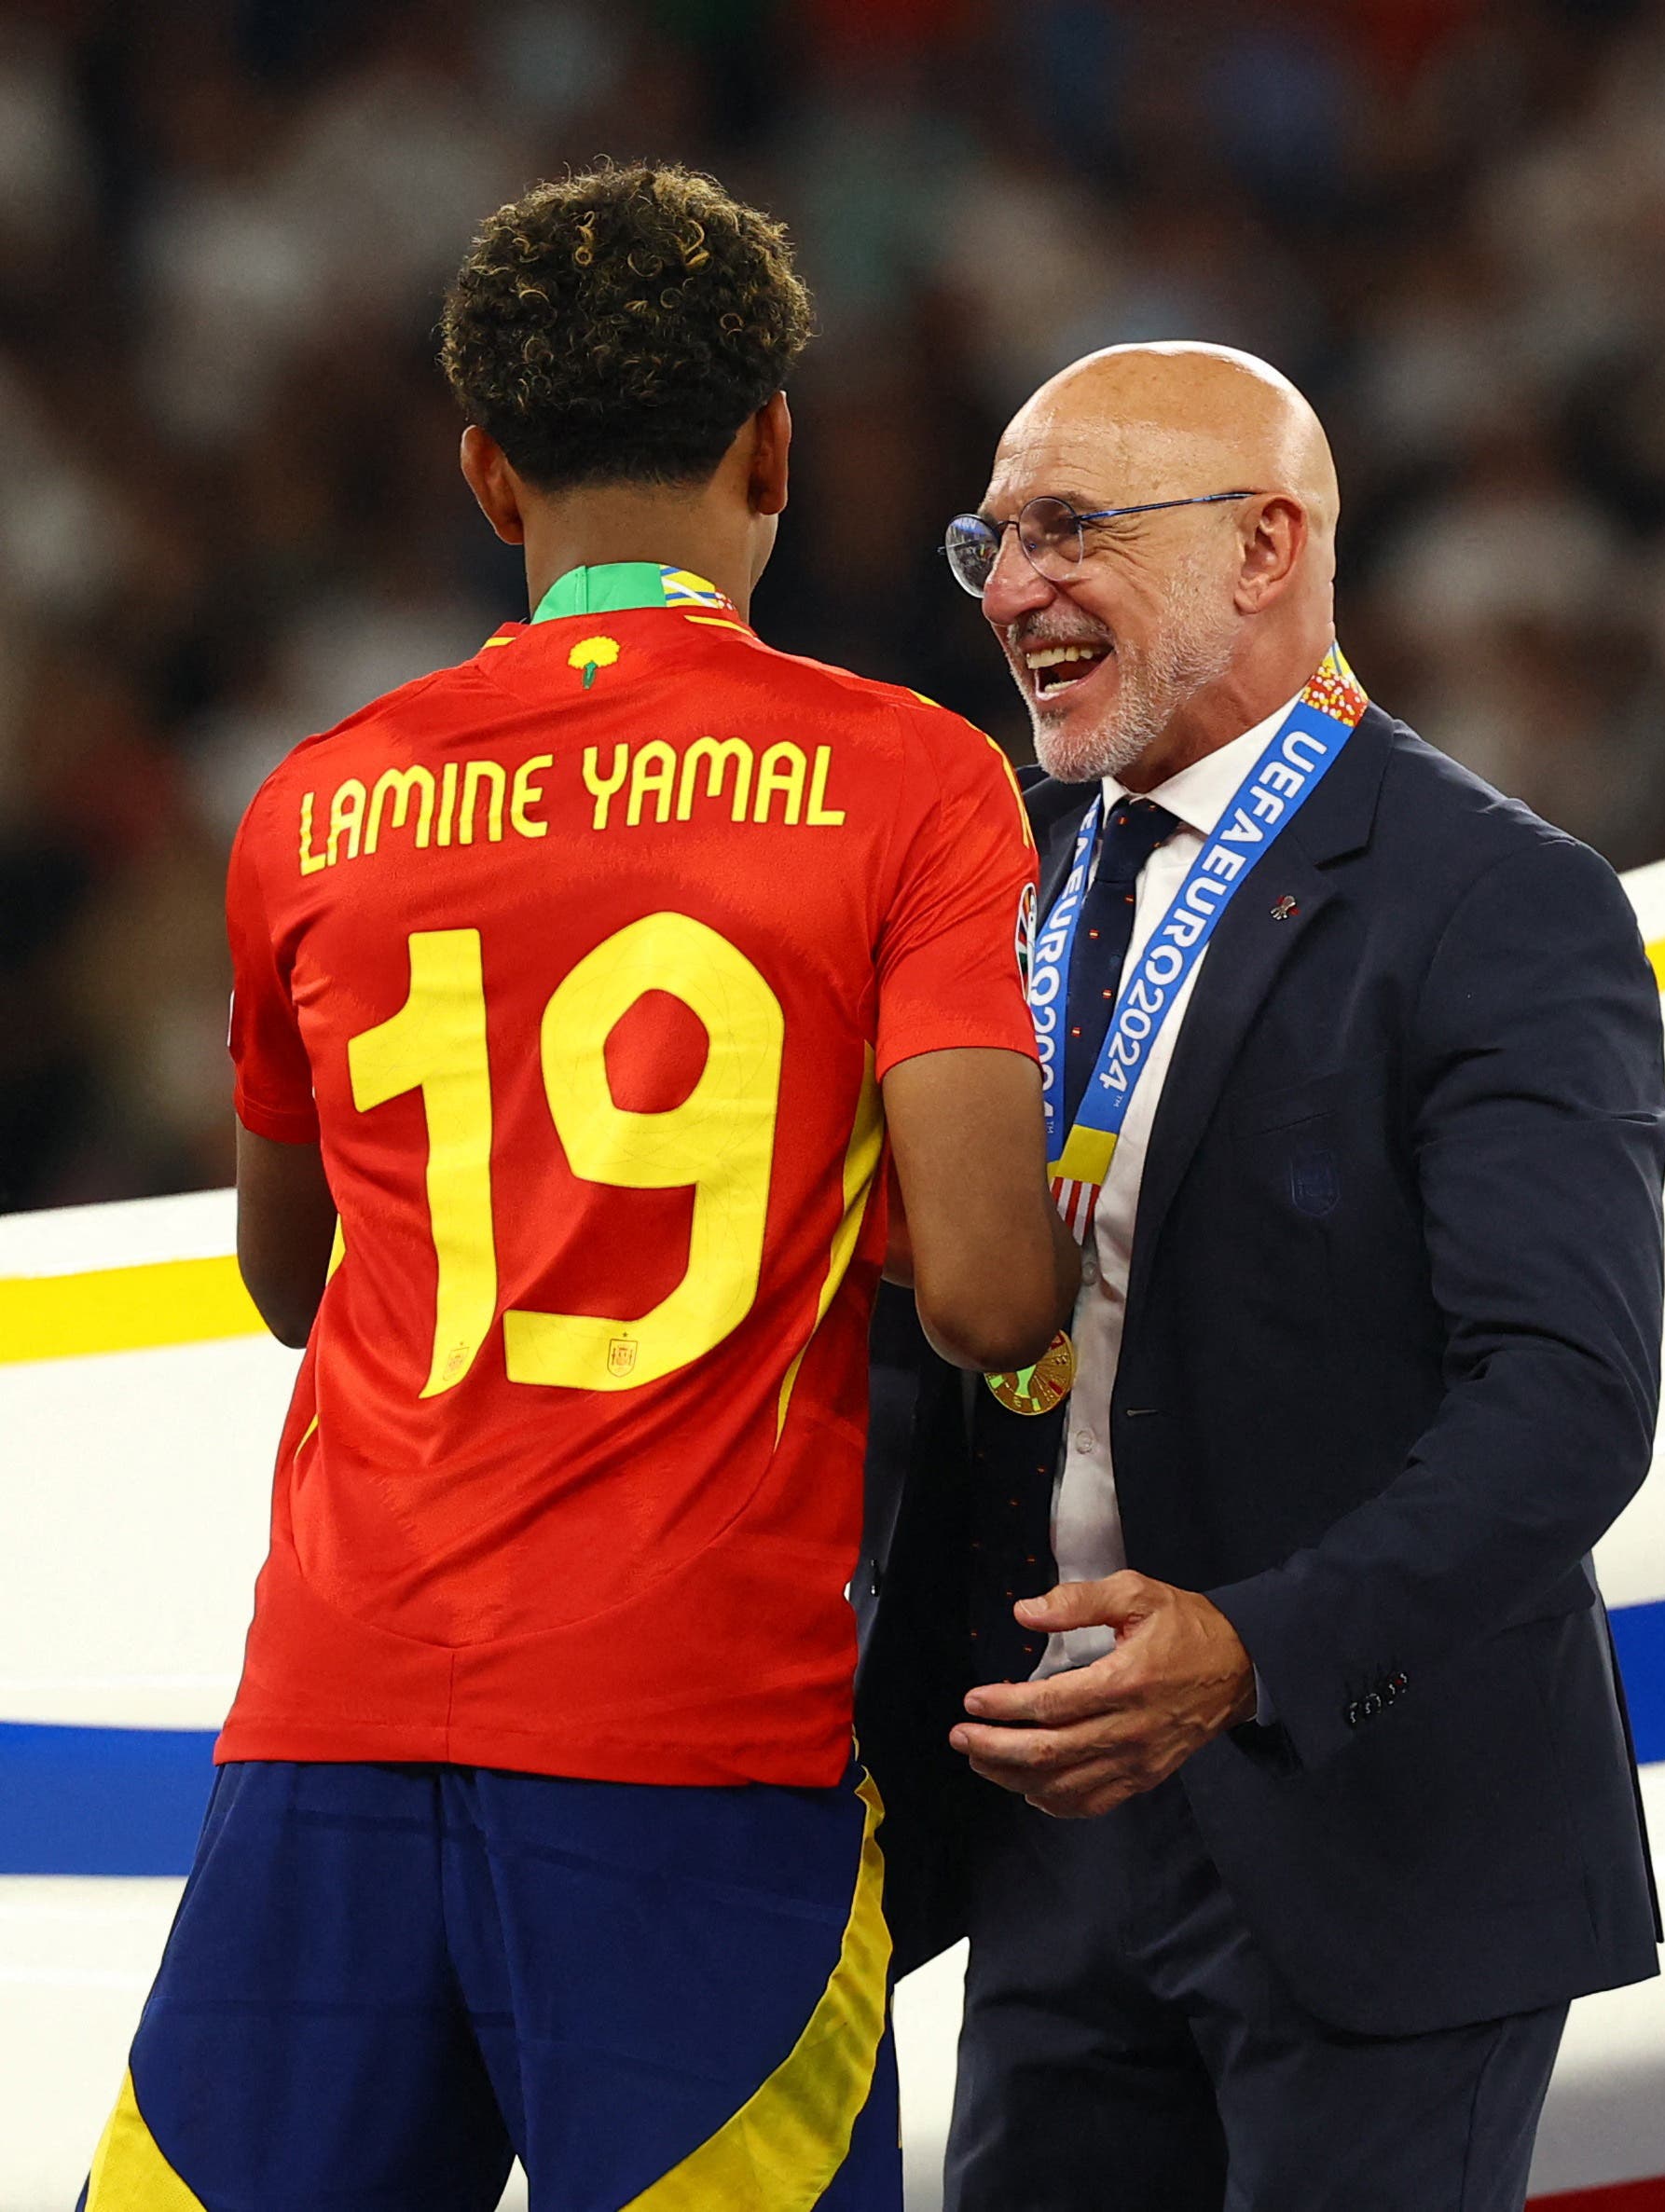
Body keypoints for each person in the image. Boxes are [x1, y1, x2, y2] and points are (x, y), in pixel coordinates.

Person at [78, 162, 1075, 2212]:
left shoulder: (318, 792)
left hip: (328, 1727)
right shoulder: (907, 778)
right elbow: (988, 1295)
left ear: (483, 474)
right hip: (693, 1743)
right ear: (771, 446)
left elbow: (290, 1275)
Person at [855, 342, 1665, 2211]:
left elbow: (1563, 1399)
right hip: (1050, 1836)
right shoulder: (999, 885)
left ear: (1265, 545)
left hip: (1371, 1832)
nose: (1010, 587)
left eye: (1072, 531)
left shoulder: (1491, 902)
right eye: (994, 538)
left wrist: (1249, 1648)